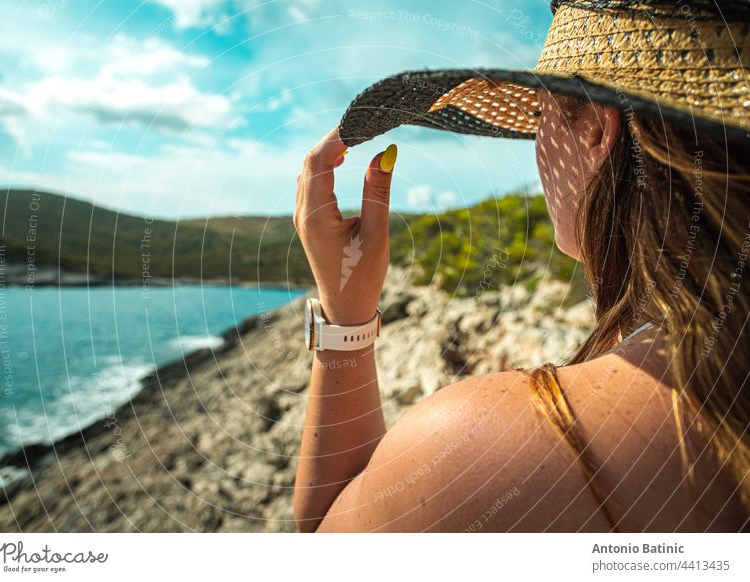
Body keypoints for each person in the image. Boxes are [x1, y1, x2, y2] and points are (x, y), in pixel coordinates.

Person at [292, 0, 750, 532]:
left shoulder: (480, 449)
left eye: (539, 116)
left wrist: (345, 315)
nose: (536, 145)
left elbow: (321, 536)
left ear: (599, 130)